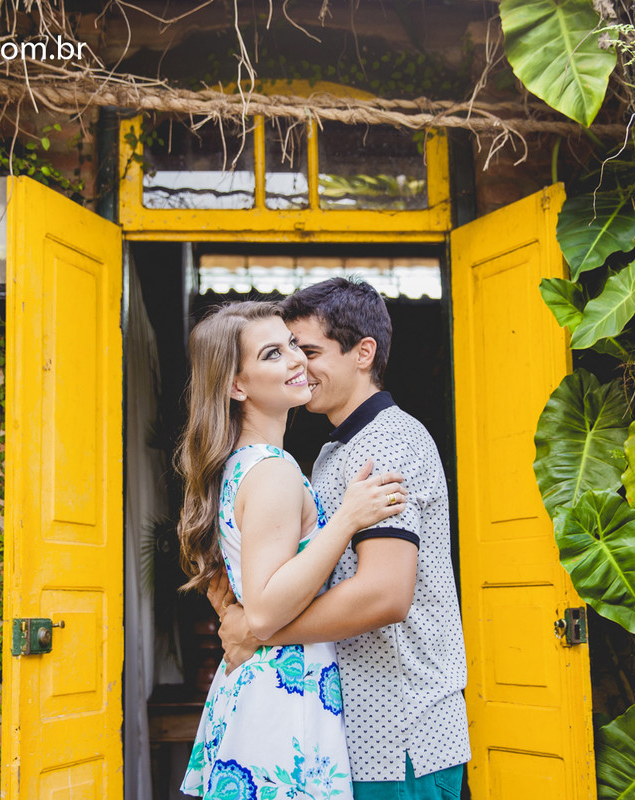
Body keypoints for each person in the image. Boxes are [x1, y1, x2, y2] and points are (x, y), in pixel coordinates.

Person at [212, 279, 471, 800]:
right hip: (350, 730)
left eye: (307, 351)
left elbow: (385, 594)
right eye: (285, 351)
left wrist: (260, 631)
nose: (297, 366)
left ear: (363, 353)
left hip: (403, 730)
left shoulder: (390, 441)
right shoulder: (334, 452)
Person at [176, 301, 409, 800]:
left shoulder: (245, 464)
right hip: (283, 696)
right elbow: (263, 607)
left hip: (265, 683)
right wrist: (346, 520)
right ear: (237, 386)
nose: (296, 360)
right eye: (272, 353)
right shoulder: (273, 470)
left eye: (294, 346)